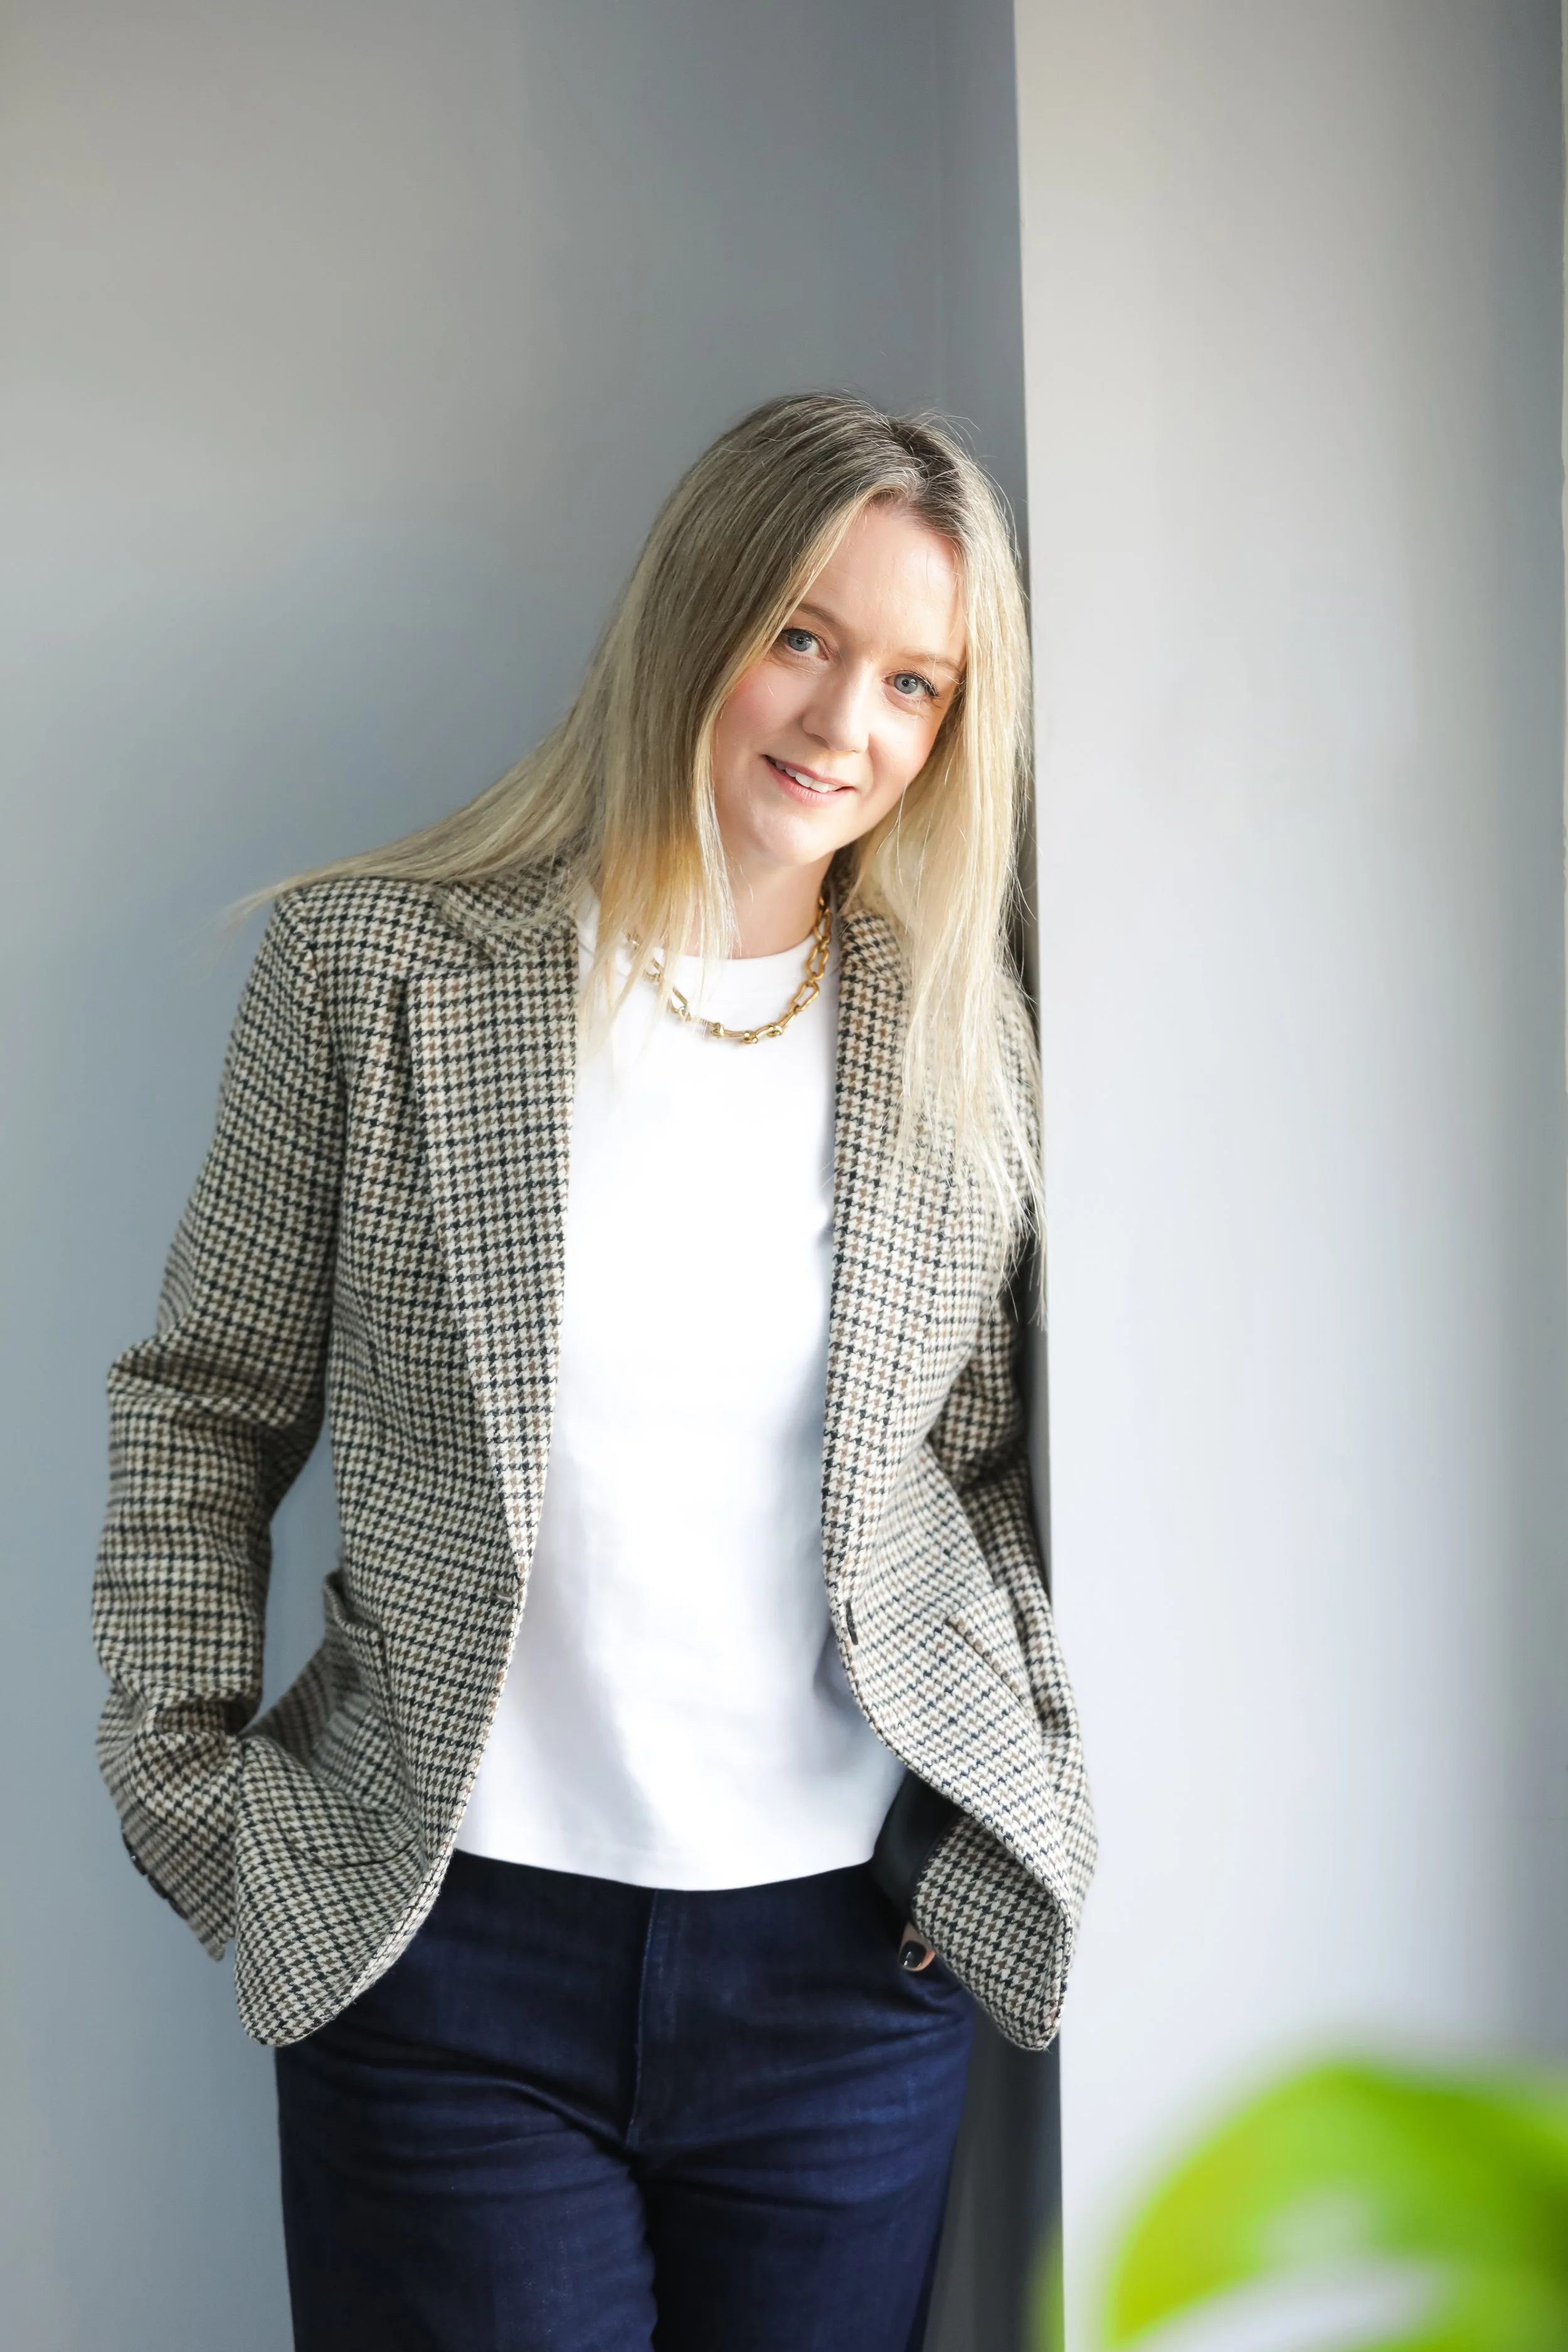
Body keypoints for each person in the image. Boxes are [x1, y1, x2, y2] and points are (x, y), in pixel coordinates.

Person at [92, 392, 1096, 2352]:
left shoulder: (956, 1041)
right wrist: (188, 1785)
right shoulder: (373, 974)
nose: (843, 724)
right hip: (446, 1958)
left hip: (843, 1966)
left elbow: (960, 1468)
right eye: (800, 636)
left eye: (914, 680)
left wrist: (1026, 1766)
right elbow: (204, 1398)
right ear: (692, 616)